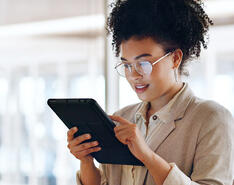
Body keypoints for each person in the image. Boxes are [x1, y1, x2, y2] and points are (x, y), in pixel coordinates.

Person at [67, 0, 234, 184]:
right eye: (127, 65)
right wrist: (86, 161)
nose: (134, 75)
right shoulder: (122, 117)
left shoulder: (211, 118)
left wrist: (146, 155)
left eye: (143, 64)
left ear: (175, 58)